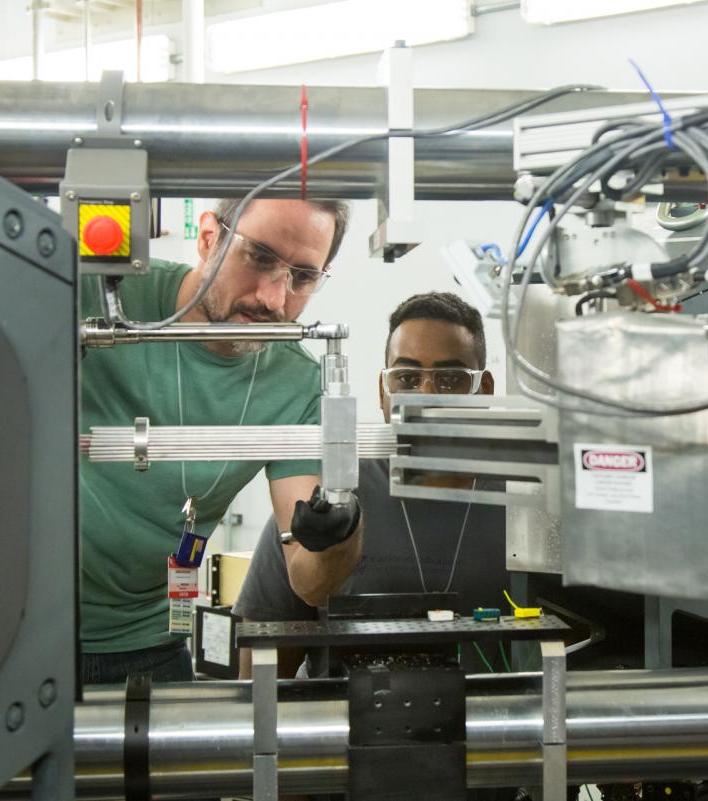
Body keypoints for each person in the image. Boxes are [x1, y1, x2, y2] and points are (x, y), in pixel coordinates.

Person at [80, 198, 364, 685]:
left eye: (302, 277)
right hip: (7, 620)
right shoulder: (98, 295)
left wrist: (339, 530)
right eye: (259, 258)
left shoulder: (296, 384)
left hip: (142, 641)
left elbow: (309, 580)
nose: (274, 299)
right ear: (209, 237)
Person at [235, 291, 512, 678]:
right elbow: (262, 677)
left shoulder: (523, 499)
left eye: (450, 379)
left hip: (494, 732)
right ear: (383, 392)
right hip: (339, 730)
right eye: (407, 378)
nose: (426, 396)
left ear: (483, 391)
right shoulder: (334, 495)